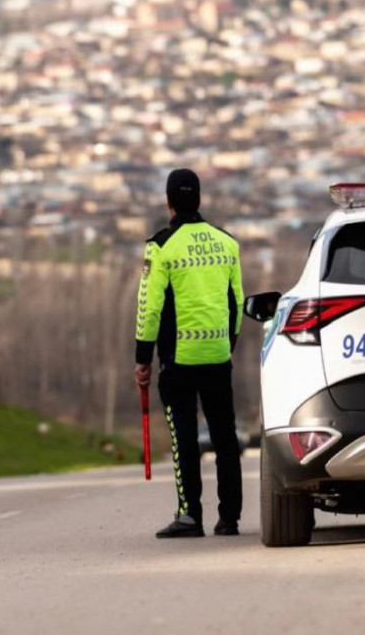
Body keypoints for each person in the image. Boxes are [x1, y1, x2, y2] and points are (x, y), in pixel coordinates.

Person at [134, 168, 244, 538]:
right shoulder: (227, 242)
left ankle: (189, 515)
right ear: (198, 200)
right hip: (217, 353)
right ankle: (229, 518)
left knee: (184, 438)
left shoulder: (161, 245)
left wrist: (142, 358)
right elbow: (237, 301)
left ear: (169, 203)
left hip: (178, 359)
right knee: (225, 437)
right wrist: (229, 343)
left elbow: (148, 307)